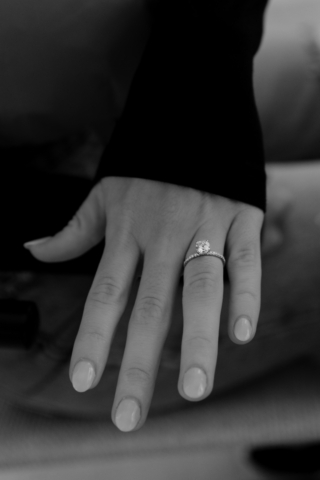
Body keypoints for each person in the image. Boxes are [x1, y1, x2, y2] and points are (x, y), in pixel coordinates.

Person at [21, 0, 269, 432]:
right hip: (37, 279)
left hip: (146, 45)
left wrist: (206, 64)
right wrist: (179, 230)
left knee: (311, 66)